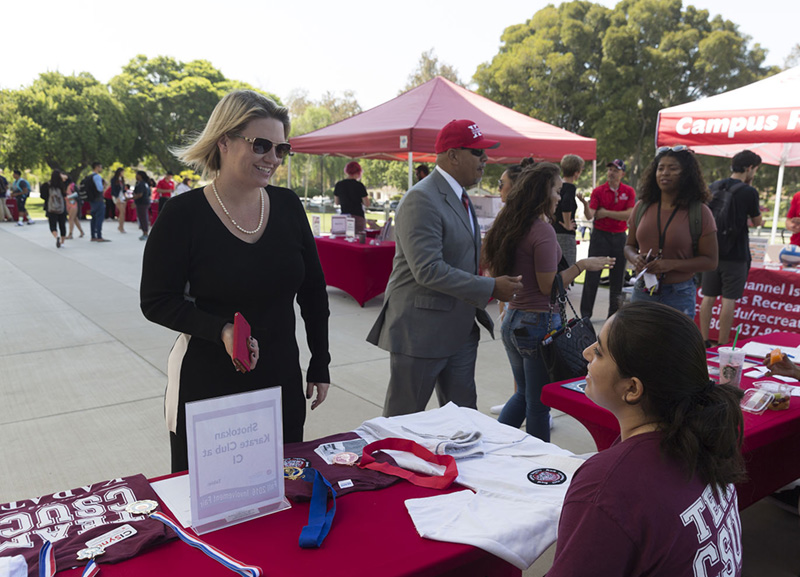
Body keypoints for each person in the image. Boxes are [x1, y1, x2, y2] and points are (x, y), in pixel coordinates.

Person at [141, 89, 330, 473]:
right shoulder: (182, 215)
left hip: (281, 381)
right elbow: (156, 300)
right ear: (224, 141)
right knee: (211, 508)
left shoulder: (289, 207)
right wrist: (221, 329)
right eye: (262, 145)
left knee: (281, 494)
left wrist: (320, 363)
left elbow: (313, 292)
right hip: (208, 385)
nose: (272, 159)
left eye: (281, 149)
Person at [548, 301, 745, 576]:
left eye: (600, 351)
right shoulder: (703, 437)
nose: (586, 352)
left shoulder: (607, 486)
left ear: (632, 388)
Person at [367, 119, 522, 417]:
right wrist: (491, 287)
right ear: (453, 155)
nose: (485, 160)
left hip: (459, 329)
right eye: (478, 152)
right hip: (420, 332)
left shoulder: (460, 195)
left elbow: (457, 253)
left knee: (464, 420)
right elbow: (428, 269)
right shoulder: (421, 199)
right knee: (403, 421)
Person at [482, 162, 613, 441]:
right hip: (536, 323)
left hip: (515, 321)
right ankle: (540, 465)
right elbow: (547, 286)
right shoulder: (541, 231)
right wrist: (582, 266)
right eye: (556, 190)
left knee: (523, 395)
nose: (559, 197)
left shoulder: (510, 224)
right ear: (542, 194)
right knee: (539, 405)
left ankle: (495, 444)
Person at [625, 146, 718, 316]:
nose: (664, 173)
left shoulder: (699, 212)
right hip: (643, 290)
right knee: (637, 342)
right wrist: (635, 258)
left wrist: (671, 264)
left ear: (686, 174)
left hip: (679, 294)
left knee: (675, 343)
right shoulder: (641, 207)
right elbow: (629, 246)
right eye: (660, 168)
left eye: (672, 168)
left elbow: (711, 261)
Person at [699, 150, 763, 346]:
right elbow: (757, 221)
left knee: (707, 298)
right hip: (736, 254)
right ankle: (723, 344)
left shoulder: (714, 186)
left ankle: (703, 341)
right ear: (749, 168)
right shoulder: (749, 191)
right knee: (728, 301)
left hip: (712, 252)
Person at [490, 157, 535, 417]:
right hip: (513, 301)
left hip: (525, 304)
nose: (499, 188)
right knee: (523, 376)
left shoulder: (528, 225)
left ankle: (527, 404)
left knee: (530, 380)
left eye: (502, 183)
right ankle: (521, 399)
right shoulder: (508, 219)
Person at [580, 159, 636, 319]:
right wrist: (585, 205)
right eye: (610, 169)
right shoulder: (598, 191)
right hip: (600, 236)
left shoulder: (629, 191)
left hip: (619, 237)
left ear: (622, 174)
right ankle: (585, 316)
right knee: (592, 275)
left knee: (617, 279)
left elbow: (629, 214)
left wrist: (605, 212)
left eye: (616, 170)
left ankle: (613, 316)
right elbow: (591, 214)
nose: (611, 173)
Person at [553, 154, 584, 268]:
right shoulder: (570, 188)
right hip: (565, 234)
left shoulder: (558, 186)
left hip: (555, 230)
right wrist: (567, 223)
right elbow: (566, 203)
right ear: (576, 172)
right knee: (567, 269)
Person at [333, 161, 370, 232]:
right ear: (358, 172)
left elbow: (336, 202)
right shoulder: (359, 186)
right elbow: (367, 204)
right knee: (358, 240)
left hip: (344, 217)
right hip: (358, 216)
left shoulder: (339, 185)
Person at [86, 162, 109, 242]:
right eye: (100, 167)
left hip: (92, 200)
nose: (101, 169)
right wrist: (104, 185)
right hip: (98, 200)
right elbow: (100, 189)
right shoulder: (97, 177)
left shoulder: (89, 177)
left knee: (93, 218)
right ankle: (99, 235)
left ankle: (93, 235)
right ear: (97, 167)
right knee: (99, 218)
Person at [44, 170, 68, 248]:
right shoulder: (62, 185)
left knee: (52, 225)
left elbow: (43, 196)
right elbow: (65, 195)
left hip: (51, 208)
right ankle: (63, 242)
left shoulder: (46, 185)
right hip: (61, 208)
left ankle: (56, 236)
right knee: (62, 225)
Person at [133, 170, 152, 241]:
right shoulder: (145, 183)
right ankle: (144, 232)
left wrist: (130, 199)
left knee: (143, 218)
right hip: (145, 202)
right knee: (143, 217)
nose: (136, 176)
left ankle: (145, 233)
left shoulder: (141, 184)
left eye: (137, 175)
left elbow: (139, 194)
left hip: (142, 203)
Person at [110, 168, 127, 233]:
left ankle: (121, 226)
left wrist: (125, 195)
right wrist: (116, 197)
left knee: (123, 212)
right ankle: (121, 227)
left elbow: (123, 189)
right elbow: (113, 189)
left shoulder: (122, 180)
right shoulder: (114, 180)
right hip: (116, 196)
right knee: (122, 211)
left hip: (122, 196)